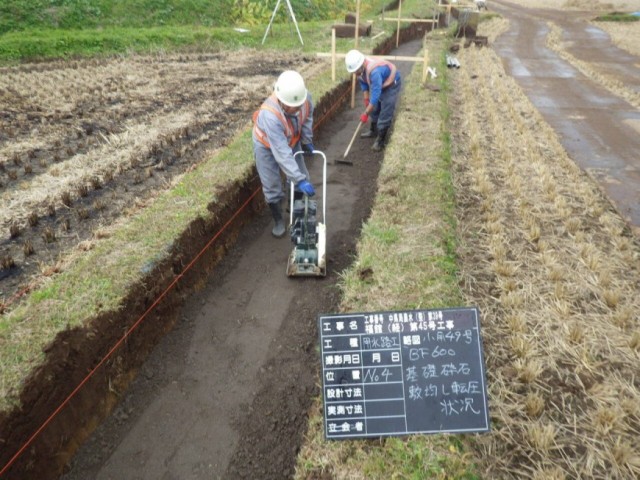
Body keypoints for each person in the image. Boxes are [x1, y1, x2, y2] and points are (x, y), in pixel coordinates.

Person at [252, 70, 316, 238]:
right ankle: (279, 220)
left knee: (301, 174)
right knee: (272, 184)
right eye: (292, 107)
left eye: (299, 105)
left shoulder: (304, 98)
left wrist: (307, 139)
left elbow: (307, 117)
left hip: (291, 139)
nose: (297, 109)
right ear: (281, 101)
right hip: (265, 144)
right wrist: (299, 179)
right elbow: (281, 153)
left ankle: (295, 209)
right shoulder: (270, 115)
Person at [345, 49, 401, 151]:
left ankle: (381, 141)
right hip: (380, 83)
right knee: (374, 108)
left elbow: (375, 94)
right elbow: (363, 82)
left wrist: (366, 113)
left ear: (361, 65)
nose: (355, 74)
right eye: (354, 72)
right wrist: (366, 100)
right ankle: (374, 130)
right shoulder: (360, 71)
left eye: (356, 71)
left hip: (391, 84)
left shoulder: (374, 72)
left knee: (385, 109)